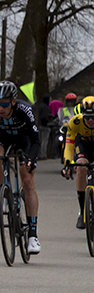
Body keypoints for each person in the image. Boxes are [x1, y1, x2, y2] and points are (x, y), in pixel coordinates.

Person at [0, 80, 41, 253]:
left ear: (13, 101)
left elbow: (35, 141)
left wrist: (31, 160)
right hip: (1, 135)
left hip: (24, 138)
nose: (0, 109)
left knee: (27, 181)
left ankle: (32, 235)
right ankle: (2, 195)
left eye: (4, 104)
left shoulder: (25, 109)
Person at [61, 96, 94, 229]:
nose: (91, 120)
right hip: (83, 144)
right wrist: (67, 163)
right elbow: (69, 145)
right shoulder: (74, 122)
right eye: (87, 117)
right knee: (80, 166)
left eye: (93, 117)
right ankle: (82, 211)